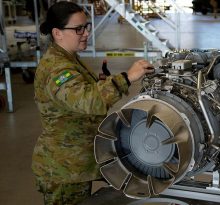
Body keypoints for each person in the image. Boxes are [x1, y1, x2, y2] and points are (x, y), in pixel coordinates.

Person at [31, 1, 154, 204]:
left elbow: (75, 98)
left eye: (86, 26)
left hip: (76, 161)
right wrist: (127, 77)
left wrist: (99, 84)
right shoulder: (57, 68)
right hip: (64, 168)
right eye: (78, 29)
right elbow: (88, 101)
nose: (86, 33)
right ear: (57, 33)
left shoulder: (68, 58)